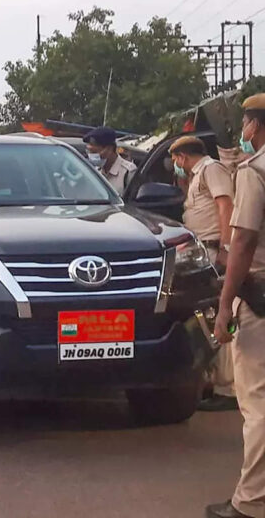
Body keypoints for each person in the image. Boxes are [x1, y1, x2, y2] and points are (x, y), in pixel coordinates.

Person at [207, 93, 265, 518]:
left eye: (245, 124)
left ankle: (252, 501)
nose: (243, 132)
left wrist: (225, 305)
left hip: (260, 299)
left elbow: (242, 240)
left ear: (255, 126)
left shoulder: (254, 171)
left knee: (258, 402)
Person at [169, 135, 237, 413]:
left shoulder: (211, 169)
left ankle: (228, 388)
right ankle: (214, 380)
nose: (175, 165)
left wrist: (226, 248)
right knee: (207, 318)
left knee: (221, 314)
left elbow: (226, 206)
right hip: (201, 252)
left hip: (213, 251)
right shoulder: (197, 175)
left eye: (175, 160)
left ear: (182, 157)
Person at [83, 127, 137, 196]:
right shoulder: (94, 171)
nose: (91, 156)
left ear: (109, 149)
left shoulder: (128, 172)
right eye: (89, 152)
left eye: (94, 152)